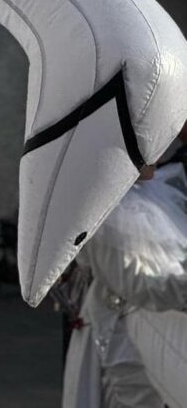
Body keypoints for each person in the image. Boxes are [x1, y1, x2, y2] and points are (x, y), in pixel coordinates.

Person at [62, 159, 187, 408]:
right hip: (122, 338)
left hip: (158, 332)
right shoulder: (103, 212)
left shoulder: (154, 192)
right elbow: (137, 286)